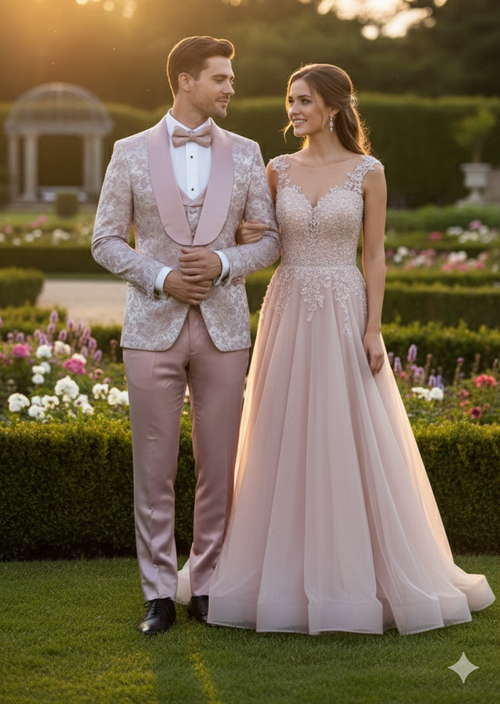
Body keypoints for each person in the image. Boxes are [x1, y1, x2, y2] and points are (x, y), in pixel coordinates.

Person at [207, 63, 495, 635]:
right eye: (290, 100)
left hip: (344, 307)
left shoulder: (369, 171)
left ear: (333, 107)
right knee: (281, 433)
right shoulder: (275, 171)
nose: (293, 109)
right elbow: (261, 238)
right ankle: (274, 569)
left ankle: (358, 573)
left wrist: (373, 328)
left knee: (348, 430)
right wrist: (247, 237)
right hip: (287, 308)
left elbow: (376, 257)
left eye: (304, 100)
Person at [92, 36, 280, 635]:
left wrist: (225, 264)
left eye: (230, 78)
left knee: (218, 466)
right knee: (153, 467)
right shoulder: (127, 152)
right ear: (185, 81)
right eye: (220, 78)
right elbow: (105, 240)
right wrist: (162, 276)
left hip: (225, 331)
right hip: (151, 329)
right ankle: (156, 594)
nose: (231, 87)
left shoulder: (249, 153)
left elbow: (271, 240)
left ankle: (208, 585)